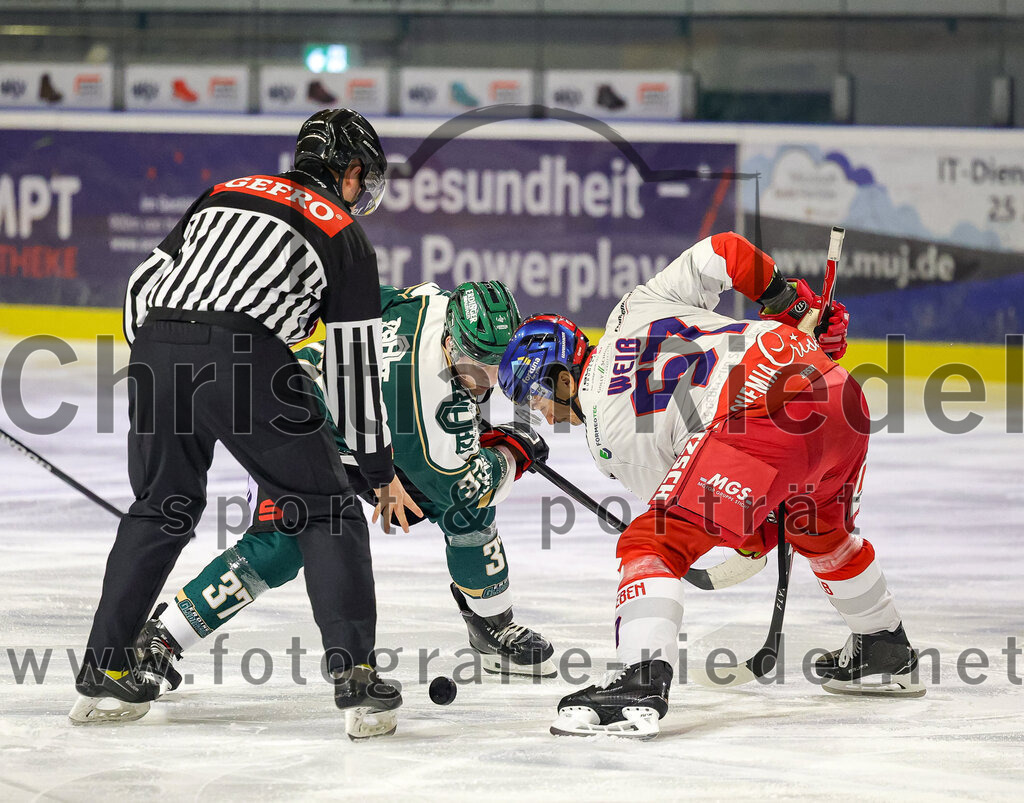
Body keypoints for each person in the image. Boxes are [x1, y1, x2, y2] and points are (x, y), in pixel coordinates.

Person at [71, 109, 420, 739]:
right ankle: (357, 678)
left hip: (155, 344)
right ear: (349, 172)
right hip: (244, 351)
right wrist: (375, 471)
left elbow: (142, 283)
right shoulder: (342, 231)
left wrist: (161, 355)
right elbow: (352, 371)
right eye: (362, 177)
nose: (362, 192)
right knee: (325, 508)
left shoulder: (225, 191)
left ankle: (104, 668)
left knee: (160, 506)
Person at [497, 231, 925, 739]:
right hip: (835, 393)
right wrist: (788, 301)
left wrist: (759, 536)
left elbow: (720, 514)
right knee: (820, 531)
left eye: (537, 397)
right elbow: (727, 251)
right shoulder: (635, 306)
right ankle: (883, 646)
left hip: (758, 419)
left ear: (563, 377)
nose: (543, 415)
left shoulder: (605, 439)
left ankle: (639, 681)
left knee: (652, 541)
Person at [132, 280, 556, 712]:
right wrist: (511, 452)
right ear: (451, 339)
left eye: (495, 364)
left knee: (461, 507)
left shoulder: (432, 302)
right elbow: (464, 487)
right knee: (282, 544)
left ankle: (491, 624)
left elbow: (372, 299)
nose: (485, 379)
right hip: (292, 423)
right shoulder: (431, 399)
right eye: (474, 364)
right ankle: (161, 637)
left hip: (372, 437)